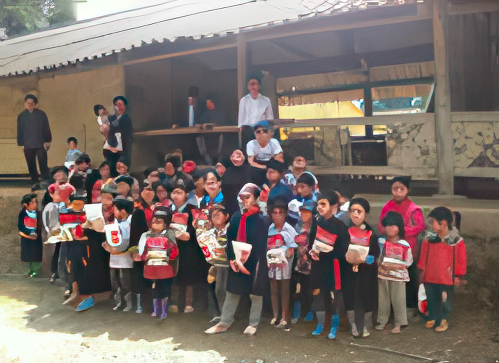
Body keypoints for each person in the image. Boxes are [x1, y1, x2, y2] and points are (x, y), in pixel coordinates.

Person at [205, 183, 268, 336]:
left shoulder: (262, 219)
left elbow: (261, 244)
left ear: (255, 198)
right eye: (241, 197)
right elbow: (229, 239)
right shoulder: (236, 216)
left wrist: (247, 259)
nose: (243, 200)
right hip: (236, 260)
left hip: (255, 261)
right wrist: (233, 259)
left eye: (247, 197)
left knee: (256, 293)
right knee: (232, 291)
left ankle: (253, 323)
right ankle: (225, 321)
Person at [378, 176, 425, 321]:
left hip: (408, 250)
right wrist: (387, 232)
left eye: (401, 189)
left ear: (407, 190)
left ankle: (410, 308)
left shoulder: (413, 209)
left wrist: (401, 233)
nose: (398, 192)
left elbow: (420, 226)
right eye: (395, 189)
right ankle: (392, 309)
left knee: (409, 280)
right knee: (389, 278)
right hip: (390, 250)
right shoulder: (387, 207)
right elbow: (381, 224)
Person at [418, 207, 467, 332]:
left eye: (432, 222)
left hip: (447, 277)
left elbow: (461, 260)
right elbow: (423, 255)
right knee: (431, 296)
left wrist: (458, 275)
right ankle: (433, 317)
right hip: (430, 275)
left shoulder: (455, 240)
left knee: (445, 299)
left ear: (443, 222)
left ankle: (443, 318)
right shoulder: (428, 238)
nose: (429, 225)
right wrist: (422, 269)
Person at [308, 192, 350, 340]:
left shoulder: (339, 225)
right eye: (318, 204)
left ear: (332, 206)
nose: (320, 207)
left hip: (333, 265)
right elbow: (311, 240)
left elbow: (344, 247)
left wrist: (330, 251)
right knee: (318, 294)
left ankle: (334, 324)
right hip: (318, 264)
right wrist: (311, 252)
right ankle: (320, 323)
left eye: (323, 204)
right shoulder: (317, 221)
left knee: (333, 295)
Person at [169, 178, 208, 314]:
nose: (176, 195)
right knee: (173, 273)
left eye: (179, 192)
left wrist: (189, 235)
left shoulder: (192, 209)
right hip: (172, 246)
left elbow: (197, 227)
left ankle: (188, 303)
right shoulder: (169, 209)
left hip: (188, 246)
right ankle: (174, 302)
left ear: (186, 195)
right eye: (174, 192)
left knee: (188, 274)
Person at [343, 198, 380, 338]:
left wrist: (368, 259)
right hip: (348, 269)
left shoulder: (371, 233)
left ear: (365, 214)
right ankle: (353, 325)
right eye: (353, 211)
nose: (356, 214)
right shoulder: (345, 231)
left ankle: (366, 325)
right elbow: (340, 249)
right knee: (349, 296)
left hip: (366, 271)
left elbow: (375, 253)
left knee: (367, 296)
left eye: (359, 211)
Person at [139, 206, 179, 319]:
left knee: (165, 288)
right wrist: (144, 257)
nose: (156, 223)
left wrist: (169, 259)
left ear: (165, 224)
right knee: (155, 289)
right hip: (152, 268)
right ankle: (155, 309)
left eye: (159, 221)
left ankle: (164, 311)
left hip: (165, 268)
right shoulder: (147, 235)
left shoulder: (169, 234)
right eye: (154, 221)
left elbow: (174, 250)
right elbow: (143, 250)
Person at [377, 211, 413, 334]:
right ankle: (382, 321)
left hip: (398, 277)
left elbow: (408, 261)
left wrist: (397, 266)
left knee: (399, 300)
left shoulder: (404, 244)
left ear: (399, 227)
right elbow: (379, 257)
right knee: (383, 299)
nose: (389, 228)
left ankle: (399, 322)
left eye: (393, 225)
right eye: (387, 225)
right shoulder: (381, 242)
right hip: (383, 274)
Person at [267, 198, 297, 331]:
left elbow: (294, 246)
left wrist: (288, 252)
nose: (277, 215)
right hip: (272, 263)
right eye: (275, 212)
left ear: (285, 214)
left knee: (285, 290)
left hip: (285, 265)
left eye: (280, 212)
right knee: (273, 289)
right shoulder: (270, 228)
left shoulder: (289, 229)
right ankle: (275, 315)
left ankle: (285, 317)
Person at [103, 197, 134, 312]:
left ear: (123, 211)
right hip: (114, 257)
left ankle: (128, 303)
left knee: (125, 281)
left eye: (115, 209)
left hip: (124, 258)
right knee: (115, 281)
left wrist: (115, 249)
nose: (113, 212)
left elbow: (126, 240)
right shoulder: (116, 223)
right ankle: (118, 302)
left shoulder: (128, 223)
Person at [17, 94, 52, 191]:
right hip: (27, 143)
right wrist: (20, 144)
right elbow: (19, 130)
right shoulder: (21, 116)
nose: (29, 105)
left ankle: (45, 180)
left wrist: (47, 140)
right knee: (31, 163)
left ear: (35, 104)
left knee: (42, 162)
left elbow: (46, 128)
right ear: (25, 104)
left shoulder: (41, 114)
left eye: (32, 103)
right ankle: (35, 181)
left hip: (40, 142)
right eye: (28, 103)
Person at [291, 200, 315, 324]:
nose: (304, 214)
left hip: (311, 262)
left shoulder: (315, 227)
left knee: (310, 287)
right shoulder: (297, 225)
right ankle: (296, 310)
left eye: (307, 212)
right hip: (298, 261)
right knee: (297, 287)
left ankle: (311, 310)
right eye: (302, 212)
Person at [238, 76, 274, 147]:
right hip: (248, 130)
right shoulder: (243, 100)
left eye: (255, 84)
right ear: (248, 87)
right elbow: (241, 120)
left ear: (259, 86)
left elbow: (269, 118)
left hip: (262, 130)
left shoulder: (266, 100)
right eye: (250, 84)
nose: (253, 86)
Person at [247, 121, 284, 187]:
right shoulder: (251, 144)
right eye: (258, 131)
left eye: (265, 131)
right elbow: (251, 162)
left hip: (271, 163)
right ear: (255, 134)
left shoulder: (274, 142)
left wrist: (272, 169)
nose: (261, 133)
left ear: (271, 133)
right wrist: (265, 168)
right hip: (257, 165)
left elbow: (279, 159)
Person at [18, 193, 43, 277]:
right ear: (25, 204)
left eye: (35, 202)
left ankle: (35, 270)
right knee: (29, 254)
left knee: (37, 255)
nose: (35, 204)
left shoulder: (38, 213)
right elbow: (20, 226)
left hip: (37, 238)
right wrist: (26, 234)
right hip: (27, 238)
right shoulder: (23, 214)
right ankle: (31, 270)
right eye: (32, 202)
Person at [221, 150, 251, 217]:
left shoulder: (250, 170)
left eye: (239, 155)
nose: (237, 157)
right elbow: (225, 191)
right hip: (232, 207)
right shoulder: (228, 172)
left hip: (249, 206)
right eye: (234, 155)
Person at [95, 104, 122, 177]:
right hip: (111, 145)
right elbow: (105, 129)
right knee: (113, 164)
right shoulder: (102, 121)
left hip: (117, 143)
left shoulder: (112, 117)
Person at [108, 96, 133, 168]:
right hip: (112, 147)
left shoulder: (126, 118)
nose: (119, 107)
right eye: (117, 105)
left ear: (124, 106)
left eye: (121, 105)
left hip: (122, 148)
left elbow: (128, 136)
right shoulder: (112, 118)